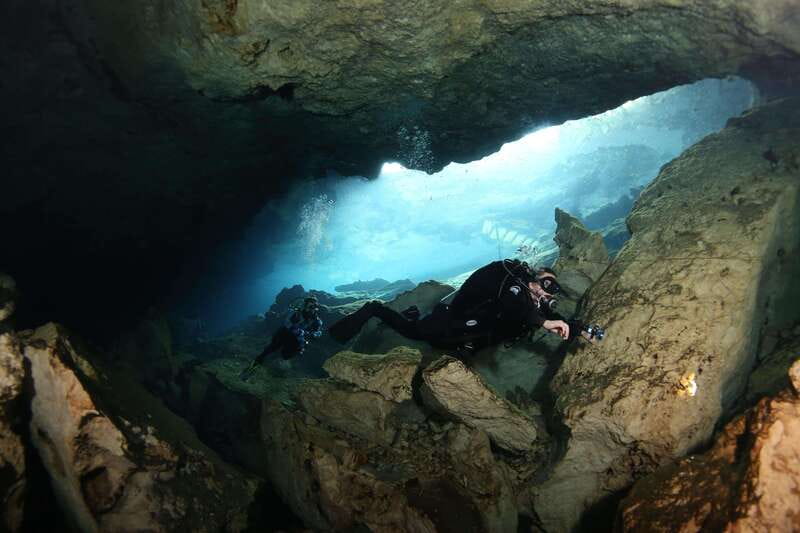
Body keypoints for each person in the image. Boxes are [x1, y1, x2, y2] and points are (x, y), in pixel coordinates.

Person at [328, 259, 600, 357]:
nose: (545, 292)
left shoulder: (532, 303)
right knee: (413, 333)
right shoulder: (507, 279)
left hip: (463, 339)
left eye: (552, 290)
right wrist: (544, 322)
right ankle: (374, 308)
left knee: (440, 346)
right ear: (534, 275)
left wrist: (580, 330)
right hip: (448, 322)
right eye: (545, 284)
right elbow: (513, 305)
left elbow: (556, 319)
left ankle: (414, 313)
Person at [240, 296, 323, 381]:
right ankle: (250, 369)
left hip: (295, 341)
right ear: (304, 305)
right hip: (283, 335)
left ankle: (271, 363)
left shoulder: (316, 321)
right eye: (309, 306)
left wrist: (312, 334)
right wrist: (298, 331)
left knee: (285, 356)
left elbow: (318, 333)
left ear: (316, 307)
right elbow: (287, 323)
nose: (310, 309)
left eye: (313, 306)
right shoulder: (296, 313)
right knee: (268, 351)